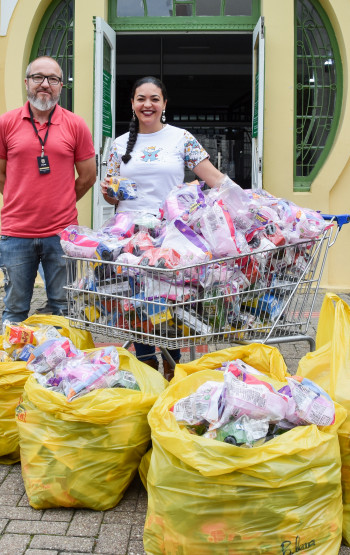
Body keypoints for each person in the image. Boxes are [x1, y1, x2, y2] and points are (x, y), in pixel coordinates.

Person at [103, 76, 235, 379]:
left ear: (164, 104)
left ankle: (172, 364)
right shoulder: (119, 144)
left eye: (154, 99)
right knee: (135, 300)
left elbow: (214, 177)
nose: (147, 105)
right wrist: (109, 192)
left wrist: (246, 200)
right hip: (131, 236)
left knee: (168, 299)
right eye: (141, 99)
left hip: (169, 234)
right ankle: (146, 361)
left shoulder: (181, 138)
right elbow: (112, 195)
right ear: (132, 103)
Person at [0, 56, 96, 326]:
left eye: (53, 79)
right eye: (38, 77)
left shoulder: (76, 125)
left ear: (61, 86)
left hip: (61, 234)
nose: (45, 84)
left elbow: (88, 176)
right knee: (15, 309)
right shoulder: (6, 123)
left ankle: (62, 355)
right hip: (16, 233)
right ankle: (15, 355)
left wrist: (62, 200)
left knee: (64, 308)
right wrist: (20, 198)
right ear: (26, 82)